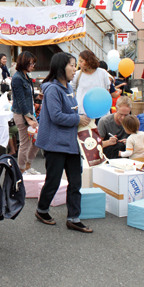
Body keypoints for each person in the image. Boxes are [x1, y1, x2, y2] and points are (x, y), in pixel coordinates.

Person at [35, 52, 93, 232]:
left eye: (76, 65)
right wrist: (78, 119)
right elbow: (56, 116)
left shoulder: (68, 87)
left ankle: (74, 218)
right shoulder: (52, 89)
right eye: (72, 65)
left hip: (72, 143)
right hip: (55, 143)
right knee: (53, 180)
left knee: (75, 182)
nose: (75, 69)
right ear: (61, 67)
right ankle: (42, 209)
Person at [11, 51, 41, 174]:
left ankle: (27, 166)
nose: (33, 66)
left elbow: (27, 95)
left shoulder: (26, 76)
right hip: (22, 114)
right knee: (25, 143)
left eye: (34, 63)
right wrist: (28, 119)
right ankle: (21, 170)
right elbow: (20, 100)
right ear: (24, 63)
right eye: (31, 63)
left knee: (37, 140)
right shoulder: (17, 78)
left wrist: (38, 96)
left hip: (29, 113)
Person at [71, 50, 114, 115]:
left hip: (101, 111)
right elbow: (72, 90)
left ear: (88, 61)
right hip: (83, 113)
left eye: (81, 61)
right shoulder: (77, 74)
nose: (79, 63)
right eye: (79, 61)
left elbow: (107, 90)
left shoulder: (103, 73)